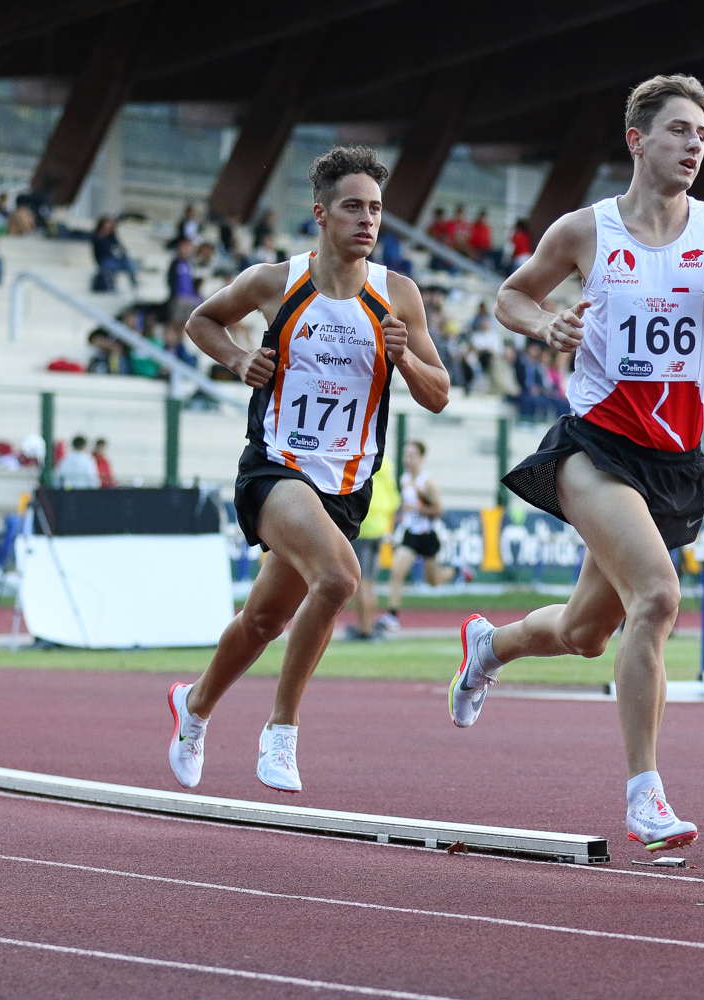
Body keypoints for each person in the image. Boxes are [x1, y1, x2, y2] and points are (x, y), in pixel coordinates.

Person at [450, 74, 704, 852]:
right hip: (596, 445)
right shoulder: (586, 230)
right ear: (637, 141)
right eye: (679, 131)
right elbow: (511, 297)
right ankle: (645, 795)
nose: (693, 146)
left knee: (585, 632)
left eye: (702, 135)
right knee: (657, 595)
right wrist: (545, 324)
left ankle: (490, 646)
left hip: (674, 459)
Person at [168, 145, 448, 794]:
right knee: (340, 578)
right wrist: (239, 360)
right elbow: (201, 321)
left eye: (375, 209)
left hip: (345, 484)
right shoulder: (275, 282)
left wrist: (405, 359)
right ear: (321, 214)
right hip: (275, 466)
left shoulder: (397, 295)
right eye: (353, 207)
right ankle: (282, 728)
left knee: (263, 621)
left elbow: (438, 394)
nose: (367, 220)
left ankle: (195, 706)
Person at [381, 440, 455, 630]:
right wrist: (399, 516)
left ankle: (456, 571)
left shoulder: (427, 483)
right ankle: (392, 616)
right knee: (397, 573)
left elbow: (439, 511)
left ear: (422, 458)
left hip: (427, 535)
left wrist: (417, 508)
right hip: (410, 535)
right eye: (406, 455)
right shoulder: (404, 480)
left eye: (412, 456)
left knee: (433, 581)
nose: (408, 459)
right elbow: (404, 507)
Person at [345, 457, 400, 641]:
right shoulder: (386, 463)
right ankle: (368, 627)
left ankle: (365, 630)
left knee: (361, 581)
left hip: (362, 526)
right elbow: (394, 499)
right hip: (380, 527)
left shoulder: (359, 458)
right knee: (369, 581)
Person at [92, 216, 138, 292]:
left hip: (113, 260)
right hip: (104, 261)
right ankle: (110, 285)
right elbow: (105, 249)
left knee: (125, 259)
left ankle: (134, 282)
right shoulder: (98, 236)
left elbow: (121, 248)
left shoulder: (111, 236)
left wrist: (119, 252)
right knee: (112, 264)